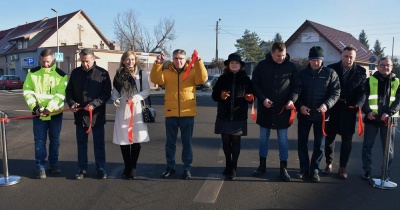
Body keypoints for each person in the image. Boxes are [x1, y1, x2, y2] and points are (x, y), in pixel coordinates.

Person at [150, 49, 208, 180]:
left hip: (188, 113)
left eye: (181, 58)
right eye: (176, 58)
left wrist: (198, 62)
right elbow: (155, 79)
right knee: (170, 143)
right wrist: (158, 64)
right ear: (172, 59)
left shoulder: (192, 71)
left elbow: (202, 79)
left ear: (185, 58)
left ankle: (187, 168)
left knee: (187, 143)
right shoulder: (167, 71)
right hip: (171, 113)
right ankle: (170, 166)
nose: (178, 61)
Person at [251, 42, 298, 181]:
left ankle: (283, 168)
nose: (281, 58)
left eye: (283, 55)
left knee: (283, 140)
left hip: (283, 110)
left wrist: (292, 100)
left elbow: (297, 86)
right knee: (263, 140)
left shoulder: (291, 66)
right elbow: (255, 84)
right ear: (272, 53)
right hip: (265, 109)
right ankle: (262, 165)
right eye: (278, 55)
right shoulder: (262, 65)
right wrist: (262, 98)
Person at [294, 46, 340, 182]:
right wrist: (300, 106)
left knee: (319, 144)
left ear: (322, 60)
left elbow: (335, 92)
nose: (315, 62)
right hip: (304, 114)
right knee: (302, 142)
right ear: (309, 60)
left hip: (322, 115)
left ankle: (314, 170)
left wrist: (327, 105)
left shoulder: (330, 73)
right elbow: (296, 92)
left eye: (318, 60)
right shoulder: (301, 74)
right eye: (313, 60)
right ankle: (303, 169)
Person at [66, 48, 111, 180]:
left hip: (97, 116)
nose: (85, 64)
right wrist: (72, 103)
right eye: (82, 61)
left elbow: (106, 93)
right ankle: (82, 168)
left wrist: (94, 104)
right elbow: (69, 92)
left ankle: (101, 168)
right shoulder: (75, 73)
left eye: (87, 61)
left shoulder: (102, 73)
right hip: (80, 116)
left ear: (93, 59)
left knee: (99, 144)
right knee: (81, 144)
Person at [23, 48, 68, 179]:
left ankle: (54, 164)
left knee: (55, 141)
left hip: (55, 114)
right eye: (43, 62)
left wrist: (50, 108)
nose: (46, 64)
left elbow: (60, 95)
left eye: (48, 62)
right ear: (40, 60)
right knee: (39, 141)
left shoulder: (61, 75)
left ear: (53, 60)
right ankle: (40, 167)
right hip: (38, 114)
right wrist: (35, 107)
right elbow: (27, 92)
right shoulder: (32, 73)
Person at [323, 46, 366, 179]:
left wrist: (358, 105)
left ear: (354, 58)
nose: (348, 59)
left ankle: (343, 167)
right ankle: (329, 163)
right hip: (333, 108)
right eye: (346, 56)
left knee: (347, 140)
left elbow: (362, 92)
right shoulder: (331, 68)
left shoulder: (360, 71)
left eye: (351, 57)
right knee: (329, 138)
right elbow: (326, 88)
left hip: (349, 110)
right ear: (341, 55)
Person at [212, 53, 254, 179]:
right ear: (228, 65)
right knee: (225, 141)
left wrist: (250, 98)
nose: (234, 64)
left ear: (240, 65)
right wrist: (221, 96)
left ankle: (234, 167)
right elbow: (214, 96)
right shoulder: (222, 79)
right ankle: (228, 164)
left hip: (239, 115)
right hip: (224, 115)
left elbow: (252, 98)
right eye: (232, 63)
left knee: (236, 142)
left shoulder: (246, 79)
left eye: (236, 63)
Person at [111, 50, 150, 179]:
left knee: (136, 138)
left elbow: (146, 90)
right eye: (128, 59)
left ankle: (132, 167)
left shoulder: (141, 73)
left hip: (136, 108)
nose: (130, 62)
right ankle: (127, 165)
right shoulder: (118, 74)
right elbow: (115, 91)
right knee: (124, 139)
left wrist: (136, 98)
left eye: (132, 59)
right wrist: (115, 99)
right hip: (123, 109)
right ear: (123, 60)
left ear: (136, 60)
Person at [361, 57, 400, 181]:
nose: (385, 67)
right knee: (368, 146)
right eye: (382, 65)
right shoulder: (369, 80)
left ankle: (385, 173)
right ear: (377, 66)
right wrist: (367, 112)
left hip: (389, 120)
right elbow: (363, 99)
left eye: (387, 65)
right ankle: (367, 170)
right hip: (372, 118)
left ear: (392, 67)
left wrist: (389, 112)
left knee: (388, 148)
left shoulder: (397, 82)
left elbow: (398, 101)